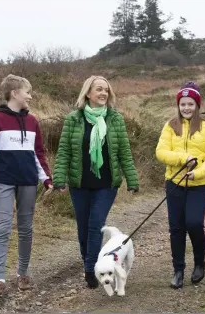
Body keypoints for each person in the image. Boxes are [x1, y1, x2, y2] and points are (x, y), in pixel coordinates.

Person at [53, 75, 139, 289]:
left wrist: (132, 178)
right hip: (79, 183)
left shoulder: (115, 119)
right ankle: (88, 261)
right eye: (99, 89)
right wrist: (59, 178)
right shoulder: (73, 119)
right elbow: (63, 151)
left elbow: (124, 152)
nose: (103, 93)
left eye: (106, 90)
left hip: (106, 184)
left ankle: (91, 267)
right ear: (88, 93)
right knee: (83, 226)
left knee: (95, 225)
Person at [0, 74, 53, 297]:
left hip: (28, 181)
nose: (30, 96)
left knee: (25, 229)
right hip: (3, 181)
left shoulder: (33, 121)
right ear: (15, 93)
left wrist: (46, 179)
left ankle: (23, 273)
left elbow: (38, 153)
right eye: (27, 92)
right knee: (2, 227)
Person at [156, 81, 205, 289]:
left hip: (199, 184)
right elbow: (161, 153)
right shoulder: (170, 126)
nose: (186, 108)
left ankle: (200, 263)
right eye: (183, 104)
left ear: (197, 105)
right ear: (178, 105)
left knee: (193, 223)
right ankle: (178, 270)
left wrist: (199, 172)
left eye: (190, 104)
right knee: (176, 227)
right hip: (174, 183)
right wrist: (183, 158)